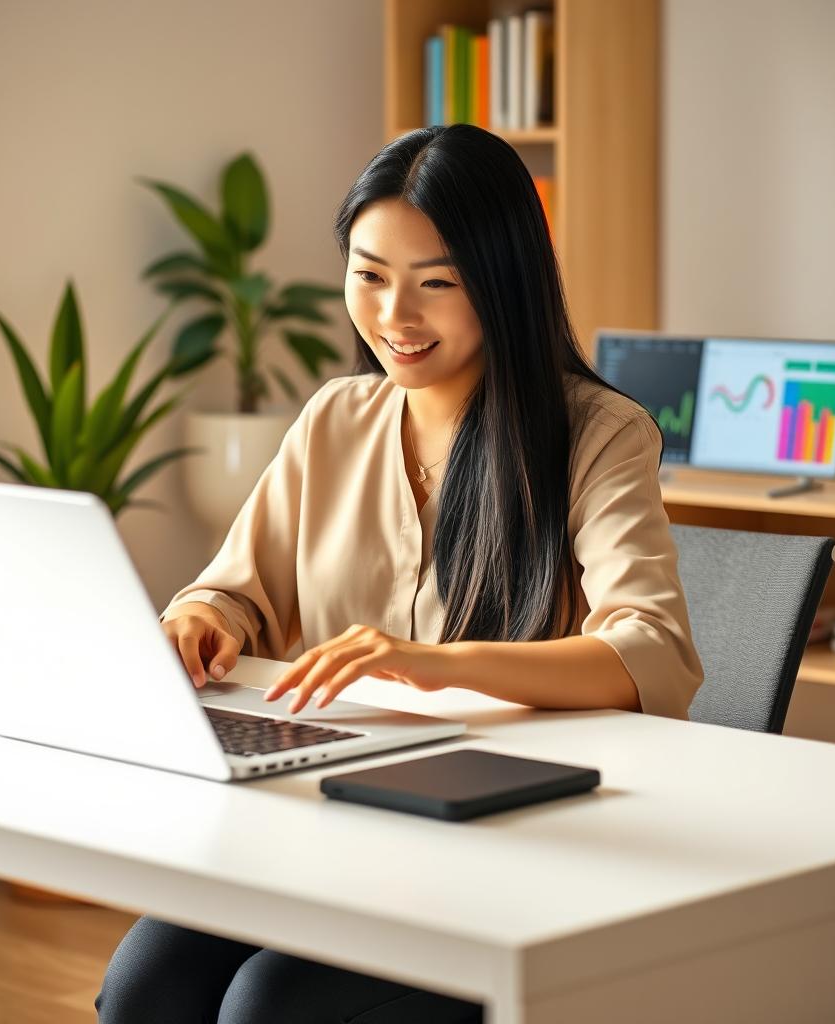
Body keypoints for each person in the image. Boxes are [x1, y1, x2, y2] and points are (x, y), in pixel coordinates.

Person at [95, 123, 703, 1023]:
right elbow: (233, 591)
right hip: (329, 821)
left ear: (503, 283)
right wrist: (198, 620)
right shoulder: (335, 418)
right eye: (369, 276)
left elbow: (650, 655)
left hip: (506, 849)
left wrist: (433, 663)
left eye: (437, 284)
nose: (393, 319)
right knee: (146, 988)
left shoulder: (600, 434)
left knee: (269, 1005)